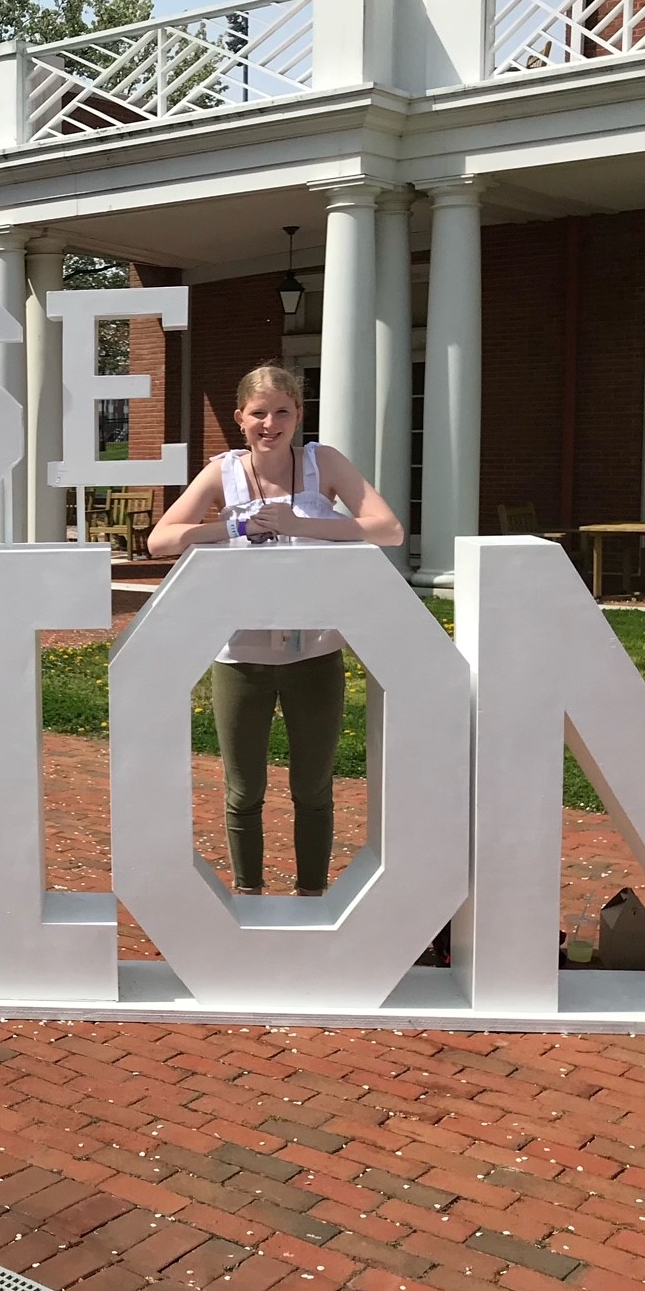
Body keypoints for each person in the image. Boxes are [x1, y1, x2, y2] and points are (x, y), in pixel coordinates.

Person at [147, 364, 403, 897]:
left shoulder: (322, 462)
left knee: (313, 787)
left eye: (282, 411)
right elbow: (161, 540)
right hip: (240, 653)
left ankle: (312, 895)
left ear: (298, 415)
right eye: (258, 413)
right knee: (244, 790)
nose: (270, 423)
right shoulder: (224, 471)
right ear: (239, 418)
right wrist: (233, 526)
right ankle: (248, 894)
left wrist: (302, 524)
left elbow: (388, 529)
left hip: (315, 651)